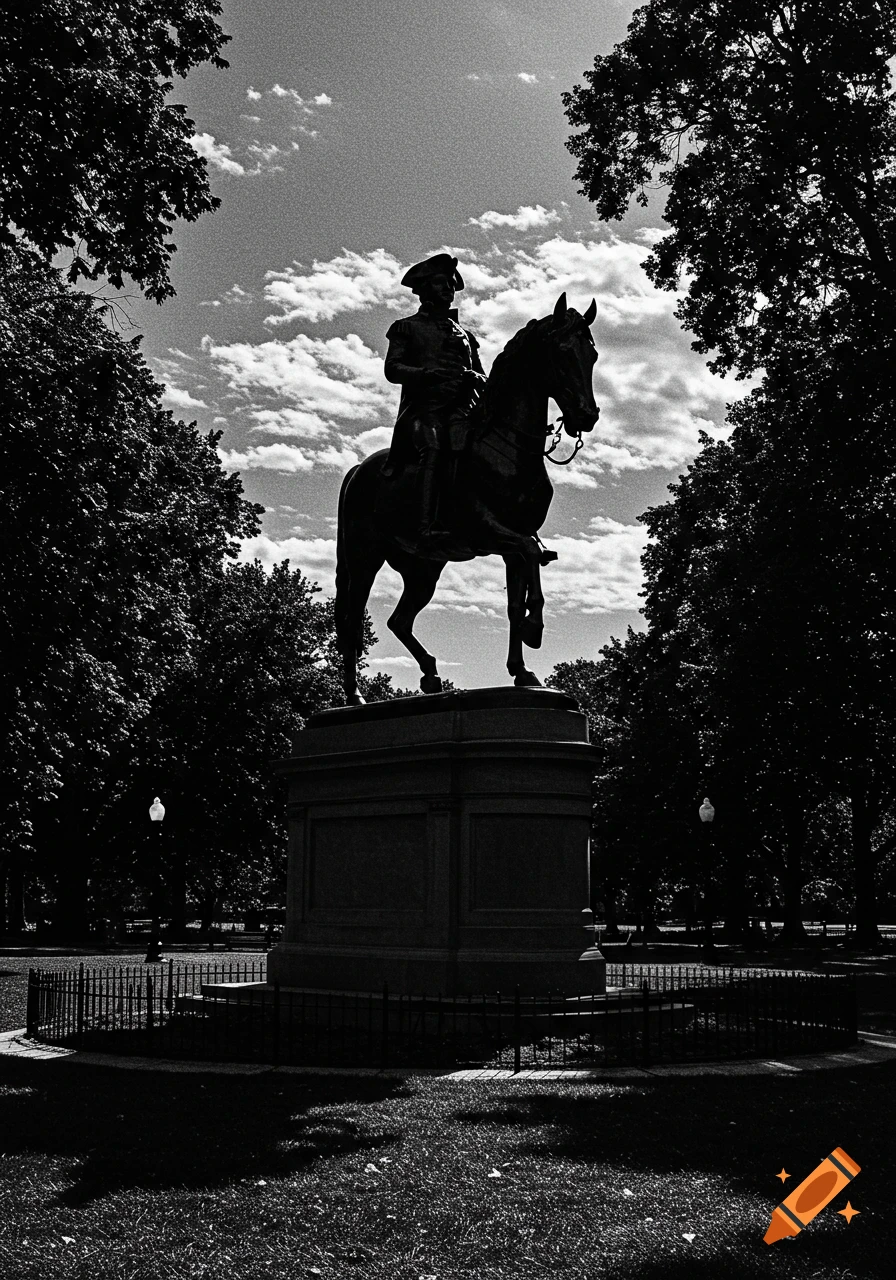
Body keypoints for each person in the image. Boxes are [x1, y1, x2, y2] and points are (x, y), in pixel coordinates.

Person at [383, 253, 486, 537]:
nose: (448, 290)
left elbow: (482, 375)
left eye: (451, 286)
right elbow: (392, 369)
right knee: (434, 448)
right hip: (423, 411)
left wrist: (475, 378)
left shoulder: (466, 335)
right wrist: (424, 374)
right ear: (425, 289)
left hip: (462, 410)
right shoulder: (407, 327)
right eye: (442, 284)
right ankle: (425, 526)